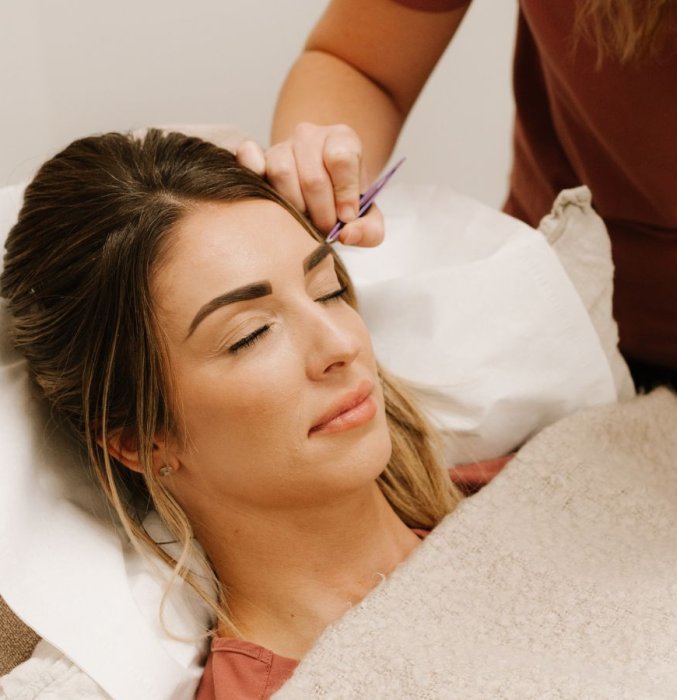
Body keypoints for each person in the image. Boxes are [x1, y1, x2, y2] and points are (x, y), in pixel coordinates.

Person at [0, 129, 462, 698]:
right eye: (251, 335)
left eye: (326, 290)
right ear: (139, 440)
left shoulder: (555, 487)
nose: (339, 344)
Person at [242, 0, 677, 485]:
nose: (333, 350)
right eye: (243, 337)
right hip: (546, 320)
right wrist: (323, 163)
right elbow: (362, 64)